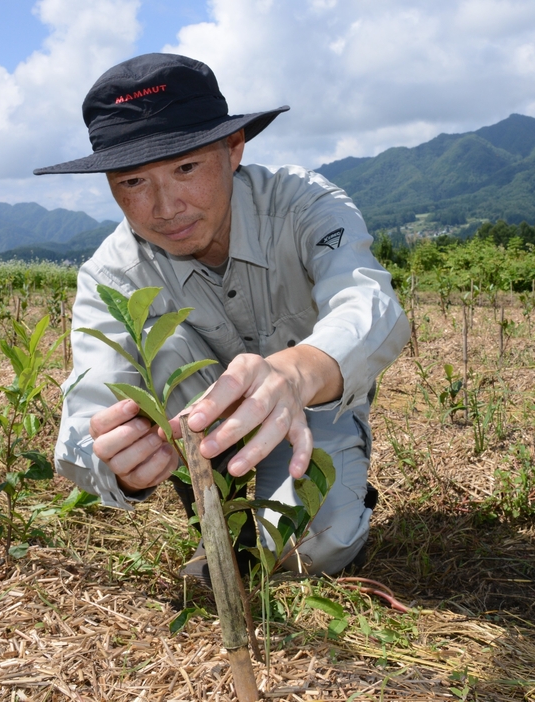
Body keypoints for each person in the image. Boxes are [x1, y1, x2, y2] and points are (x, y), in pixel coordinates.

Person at [34, 53, 409, 577]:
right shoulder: (112, 275)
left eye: (186, 167)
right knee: (156, 345)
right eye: (133, 182)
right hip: (199, 433)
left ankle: (323, 493)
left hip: (309, 403)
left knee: (312, 548)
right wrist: (119, 465)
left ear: (233, 149)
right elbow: (83, 420)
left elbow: (370, 304)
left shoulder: (303, 204)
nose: (165, 207)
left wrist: (293, 372)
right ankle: (214, 515)